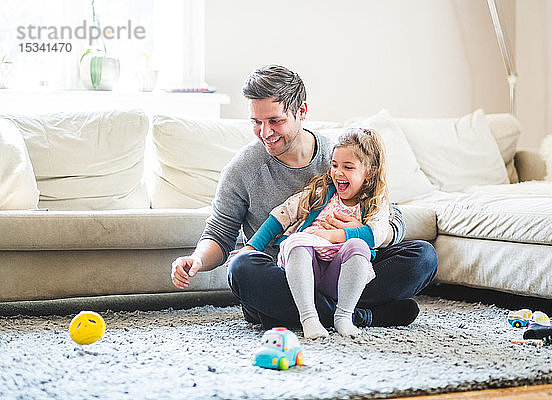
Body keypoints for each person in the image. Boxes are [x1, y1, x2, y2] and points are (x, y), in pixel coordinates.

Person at [171, 64, 438, 332]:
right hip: (286, 273)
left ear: (302, 112)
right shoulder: (243, 169)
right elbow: (219, 233)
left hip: (345, 265)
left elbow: (392, 218)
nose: (265, 132)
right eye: (256, 122)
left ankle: (308, 313)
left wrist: (352, 234)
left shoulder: (338, 158)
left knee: (424, 256)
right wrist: (196, 260)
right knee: (242, 269)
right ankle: (360, 315)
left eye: (275, 121)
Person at [235, 127, 393, 339]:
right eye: (334, 165)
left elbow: (377, 234)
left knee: (363, 246)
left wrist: (331, 236)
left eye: (348, 167)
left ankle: (343, 316)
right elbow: (282, 215)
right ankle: (308, 317)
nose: (338, 173)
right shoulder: (321, 192)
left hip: (340, 276)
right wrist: (251, 247)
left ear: (371, 171)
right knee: (296, 243)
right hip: (305, 269)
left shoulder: (376, 202)